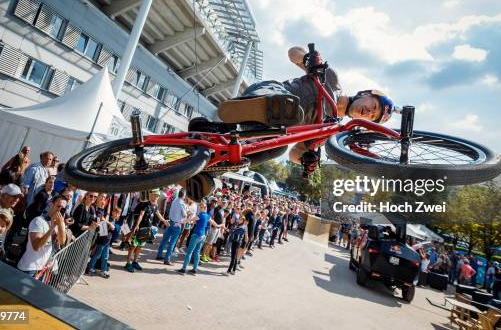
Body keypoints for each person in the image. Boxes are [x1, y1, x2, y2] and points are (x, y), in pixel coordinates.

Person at [216, 46, 394, 167]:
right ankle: (252, 106)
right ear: (365, 94)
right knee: (290, 109)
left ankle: (217, 163)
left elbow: (295, 152)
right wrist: (308, 58)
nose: (370, 112)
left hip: (264, 130)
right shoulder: (331, 80)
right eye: (374, 106)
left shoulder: (330, 129)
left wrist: (306, 160)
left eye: (372, 116)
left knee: (279, 147)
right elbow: (293, 53)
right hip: (270, 92)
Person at [17, 195, 67, 277]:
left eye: (63, 208)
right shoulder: (38, 221)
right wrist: (51, 228)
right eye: (58, 206)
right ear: (51, 204)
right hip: (29, 269)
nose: (60, 210)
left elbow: (62, 241)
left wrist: (61, 225)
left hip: (42, 270)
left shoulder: (59, 223)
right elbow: (36, 246)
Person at [126, 190, 169, 272]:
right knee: (133, 246)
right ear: (151, 195)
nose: (157, 197)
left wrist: (164, 221)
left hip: (146, 230)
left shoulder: (155, 205)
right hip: (139, 229)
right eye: (156, 195)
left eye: (158, 196)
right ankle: (128, 263)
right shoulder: (146, 204)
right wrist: (137, 225)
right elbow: (141, 214)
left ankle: (135, 262)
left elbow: (158, 214)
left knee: (140, 246)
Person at [178, 201, 224, 275]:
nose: (199, 208)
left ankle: (183, 269)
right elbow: (216, 225)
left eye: (201, 207)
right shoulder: (207, 216)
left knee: (189, 252)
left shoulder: (199, 215)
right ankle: (194, 269)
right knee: (197, 252)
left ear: (204, 208)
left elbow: (188, 220)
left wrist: (179, 222)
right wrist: (221, 225)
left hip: (196, 235)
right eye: (199, 207)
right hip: (202, 236)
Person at [87, 205, 119, 278]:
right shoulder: (109, 219)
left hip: (107, 242)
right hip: (102, 241)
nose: (116, 215)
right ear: (112, 212)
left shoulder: (114, 221)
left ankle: (103, 270)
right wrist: (109, 224)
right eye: (115, 212)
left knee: (105, 256)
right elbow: (102, 221)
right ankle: (90, 268)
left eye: (118, 214)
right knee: (97, 255)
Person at [157, 188, 187, 264]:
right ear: (183, 195)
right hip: (177, 224)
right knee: (172, 243)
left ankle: (159, 254)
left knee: (164, 240)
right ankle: (167, 259)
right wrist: (187, 212)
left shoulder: (175, 200)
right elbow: (184, 215)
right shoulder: (182, 203)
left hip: (170, 221)